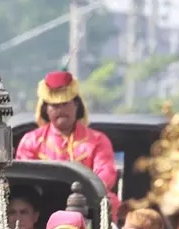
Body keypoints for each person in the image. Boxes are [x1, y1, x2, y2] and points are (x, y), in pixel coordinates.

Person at [15, 71, 119, 214]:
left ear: (77, 105)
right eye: (55, 105)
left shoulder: (98, 140)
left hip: (87, 206)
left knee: (110, 202)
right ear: (45, 109)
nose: (61, 110)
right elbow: (25, 182)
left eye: (65, 104)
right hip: (42, 208)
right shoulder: (31, 141)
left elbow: (105, 175)